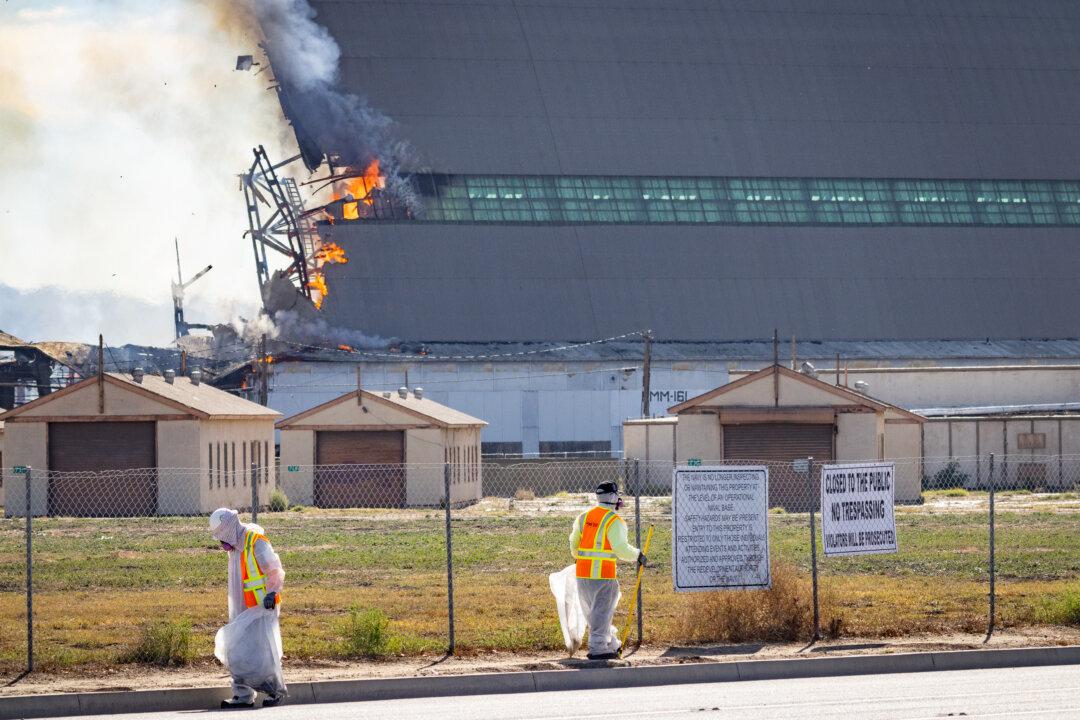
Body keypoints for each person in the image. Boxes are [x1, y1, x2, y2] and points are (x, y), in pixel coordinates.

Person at [209, 507, 286, 709]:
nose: (221, 542)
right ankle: (243, 696)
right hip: (241, 607)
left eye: (221, 535)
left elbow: (275, 570)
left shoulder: (255, 542)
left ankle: (274, 691)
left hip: (262, 606)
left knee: (264, 651)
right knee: (237, 649)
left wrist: (273, 593)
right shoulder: (235, 547)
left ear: (230, 528)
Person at [568, 481, 646, 660]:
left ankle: (610, 643)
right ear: (612, 497)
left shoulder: (583, 517)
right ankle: (598, 648)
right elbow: (620, 549)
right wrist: (638, 554)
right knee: (602, 613)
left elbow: (574, 545)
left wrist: (581, 558)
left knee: (594, 615)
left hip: (582, 575)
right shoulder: (614, 520)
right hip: (603, 575)